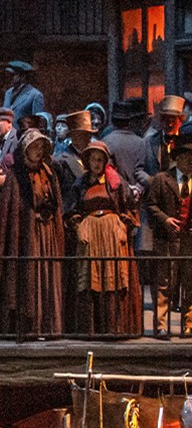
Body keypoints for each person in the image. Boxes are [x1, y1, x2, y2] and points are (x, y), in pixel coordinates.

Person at [0, 130, 66, 339]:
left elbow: (56, 203)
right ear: (25, 149)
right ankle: (27, 326)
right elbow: (11, 213)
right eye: (34, 147)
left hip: (47, 234)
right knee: (29, 278)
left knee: (47, 277)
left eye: (40, 148)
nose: (37, 152)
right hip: (27, 236)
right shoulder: (16, 178)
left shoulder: (48, 173)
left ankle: (48, 326)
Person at [68, 143, 141, 337]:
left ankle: (113, 327)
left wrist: (123, 226)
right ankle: (92, 328)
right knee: (90, 280)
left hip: (112, 235)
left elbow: (130, 207)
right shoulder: (81, 183)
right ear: (87, 161)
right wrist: (79, 227)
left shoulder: (116, 182)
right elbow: (72, 210)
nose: (97, 163)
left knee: (113, 278)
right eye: (93, 159)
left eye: (100, 160)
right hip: (89, 235)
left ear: (105, 162)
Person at [144, 135, 192, 336]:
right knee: (164, 282)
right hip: (166, 239)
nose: (190, 161)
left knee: (189, 282)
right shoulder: (162, 180)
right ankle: (161, 325)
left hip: (188, 240)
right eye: (187, 157)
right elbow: (150, 204)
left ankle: (188, 324)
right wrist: (165, 219)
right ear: (178, 159)